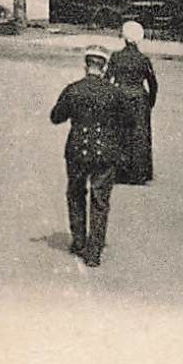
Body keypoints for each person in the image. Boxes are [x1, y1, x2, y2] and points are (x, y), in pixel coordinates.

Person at [49, 45, 135, 267]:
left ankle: (78, 241)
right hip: (105, 151)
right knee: (100, 200)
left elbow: (56, 117)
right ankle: (94, 251)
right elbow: (130, 123)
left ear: (86, 65)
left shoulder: (73, 89)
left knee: (76, 194)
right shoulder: (115, 93)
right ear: (104, 67)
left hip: (77, 149)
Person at [108, 20, 159, 185]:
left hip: (120, 96)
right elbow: (153, 84)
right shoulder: (143, 59)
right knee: (139, 136)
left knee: (120, 133)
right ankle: (139, 172)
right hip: (139, 98)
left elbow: (107, 79)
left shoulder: (116, 57)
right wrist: (150, 102)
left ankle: (119, 172)